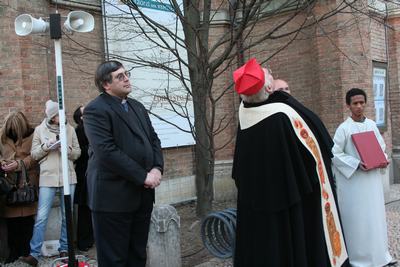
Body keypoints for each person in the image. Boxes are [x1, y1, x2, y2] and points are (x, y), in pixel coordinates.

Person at [231, 58, 349, 267]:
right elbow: (315, 149)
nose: (268, 70)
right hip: (288, 198)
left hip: (258, 199)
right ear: (268, 88)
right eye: (266, 73)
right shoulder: (283, 115)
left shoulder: (245, 111)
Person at [84, 60, 163, 267]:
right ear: (105, 84)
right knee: (114, 260)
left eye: (126, 74)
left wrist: (156, 168)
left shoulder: (136, 106)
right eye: (120, 76)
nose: (127, 78)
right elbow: (106, 152)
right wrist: (143, 176)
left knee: (137, 256)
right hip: (112, 198)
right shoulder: (95, 110)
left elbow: (153, 139)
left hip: (141, 196)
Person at [332, 88, 396, 267]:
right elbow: (335, 154)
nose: (359, 106)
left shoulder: (372, 125)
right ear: (348, 105)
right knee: (358, 221)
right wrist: (355, 164)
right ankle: (360, 259)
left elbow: (381, 147)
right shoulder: (344, 129)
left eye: (362, 103)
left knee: (375, 219)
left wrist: (383, 160)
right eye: (355, 103)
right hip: (354, 185)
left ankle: (380, 256)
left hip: (373, 182)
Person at [21, 100, 81, 266]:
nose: (61, 116)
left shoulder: (70, 130)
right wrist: (47, 146)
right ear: (52, 117)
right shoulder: (40, 130)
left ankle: (65, 248)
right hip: (47, 178)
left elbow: (77, 153)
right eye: (57, 115)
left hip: (68, 178)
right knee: (41, 216)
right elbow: (34, 155)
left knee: (66, 215)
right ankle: (34, 253)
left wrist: (66, 150)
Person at [0, 112, 39, 264]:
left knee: (27, 220)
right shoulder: (2, 136)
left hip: (27, 181)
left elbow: (36, 156)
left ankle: (26, 251)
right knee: (11, 222)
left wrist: (20, 164)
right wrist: (3, 162)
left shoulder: (33, 134)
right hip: (9, 183)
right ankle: (13, 252)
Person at [72, 105, 94, 252]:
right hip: (84, 174)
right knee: (85, 209)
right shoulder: (79, 130)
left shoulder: (93, 127)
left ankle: (91, 239)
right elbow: (80, 151)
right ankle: (84, 241)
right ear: (81, 117)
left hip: (92, 172)